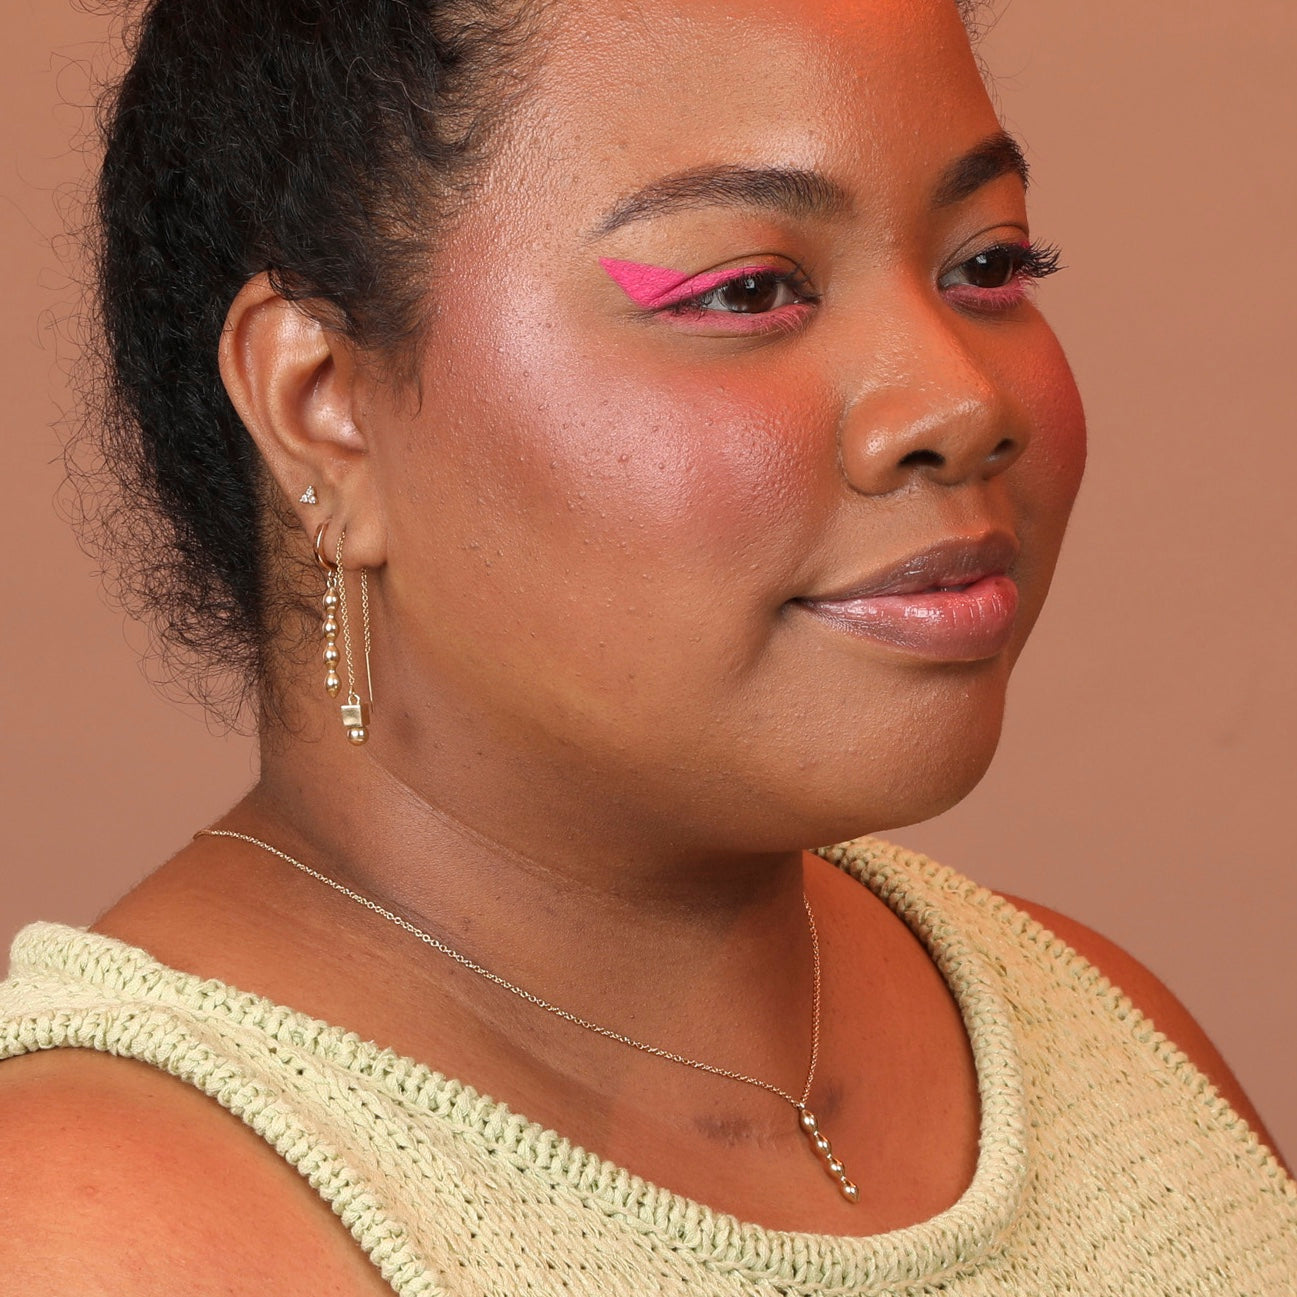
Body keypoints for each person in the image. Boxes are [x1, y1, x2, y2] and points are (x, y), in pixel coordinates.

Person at [1, 0, 1293, 1291]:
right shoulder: (104, 1230)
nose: (960, 401)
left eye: (990, 264)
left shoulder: (1113, 1049)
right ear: (321, 403)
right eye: (746, 288)